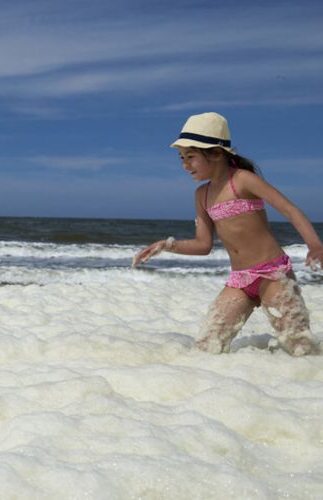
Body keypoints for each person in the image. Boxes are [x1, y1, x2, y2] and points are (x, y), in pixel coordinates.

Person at [133, 112, 322, 356]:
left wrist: (315, 245)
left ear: (216, 153)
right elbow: (203, 245)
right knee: (207, 348)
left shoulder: (243, 180)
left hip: (273, 275)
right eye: (181, 158)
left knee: (300, 349)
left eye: (190, 157)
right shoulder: (201, 195)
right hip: (240, 281)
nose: (184, 164)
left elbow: (290, 209)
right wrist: (167, 245)